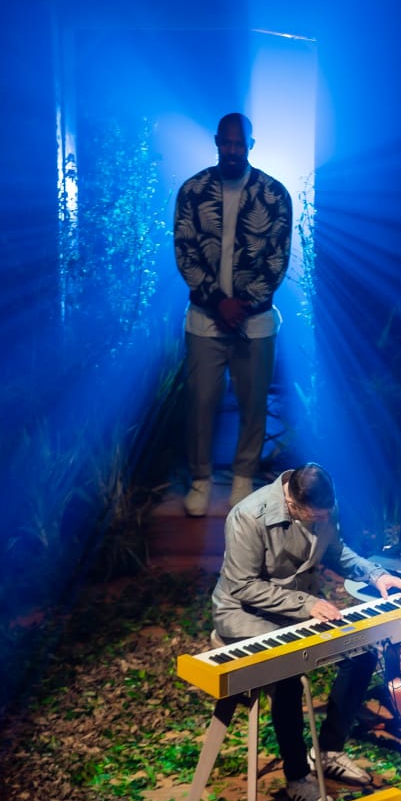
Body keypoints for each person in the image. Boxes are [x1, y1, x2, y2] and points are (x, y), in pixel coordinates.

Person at [213, 462, 401, 801]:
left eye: (327, 515)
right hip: (246, 613)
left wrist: (376, 575)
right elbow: (243, 586)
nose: (324, 520)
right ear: (293, 503)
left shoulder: (322, 508)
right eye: (316, 516)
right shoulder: (247, 516)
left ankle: (327, 750)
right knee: (289, 674)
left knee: (362, 654)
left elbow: (336, 551)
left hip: (298, 609)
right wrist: (306, 603)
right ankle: (296, 778)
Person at [174, 112, 293, 516]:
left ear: (251, 146)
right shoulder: (193, 190)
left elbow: (278, 259)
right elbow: (184, 250)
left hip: (254, 321)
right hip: (205, 319)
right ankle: (201, 480)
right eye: (226, 142)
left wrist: (241, 302)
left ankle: (243, 479)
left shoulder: (274, 194)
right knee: (201, 400)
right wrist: (216, 301)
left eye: (239, 144)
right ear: (216, 142)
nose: (232, 150)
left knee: (253, 403)